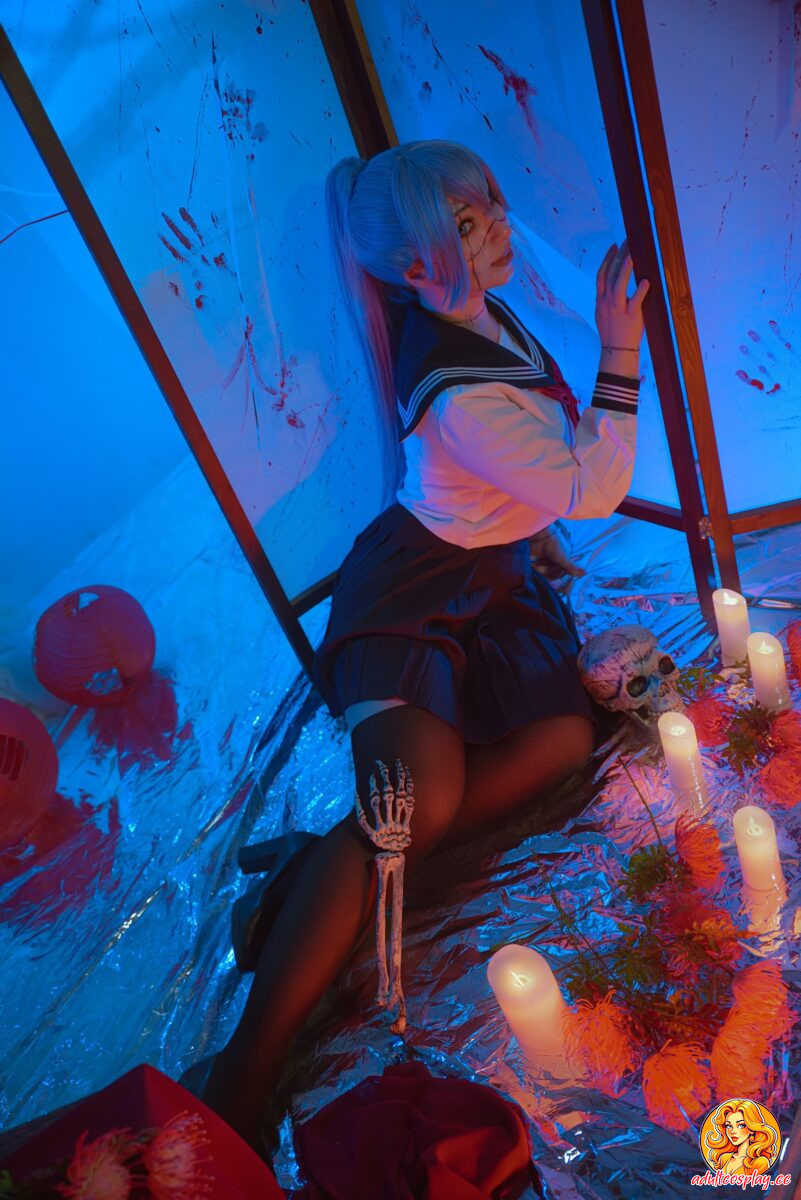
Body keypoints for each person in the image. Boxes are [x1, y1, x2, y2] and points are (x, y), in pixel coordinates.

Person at [201, 139, 648, 1147]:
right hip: (417, 592)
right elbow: (588, 485)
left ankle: (313, 881)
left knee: (562, 743)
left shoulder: (476, 310)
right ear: (414, 264)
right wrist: (620, 353)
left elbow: (533, 468)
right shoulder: (453, 391)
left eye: (490, 204)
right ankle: (244, 1072)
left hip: (494, 582)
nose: (498, 227)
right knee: (413, 813)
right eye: (469, 222)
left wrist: (526, 538)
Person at [703, 1099, 778, 1173]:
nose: (732, 1131)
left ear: (751, 1129)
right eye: (729, 1126)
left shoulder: (760, 1162)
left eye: (741, 1125)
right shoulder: (724, 1158)